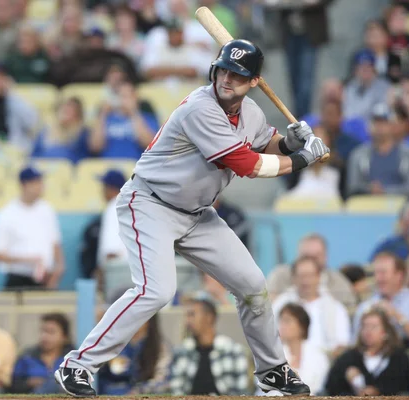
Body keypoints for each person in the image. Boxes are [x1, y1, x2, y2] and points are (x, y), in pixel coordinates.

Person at [54, 39, 330, 397]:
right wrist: (303, 159)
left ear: (253, 83)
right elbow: (248, 165)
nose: (228, 79)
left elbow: (267, 143)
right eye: (225, 70)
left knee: (252, 286)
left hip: (197, 213)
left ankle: (273, 370)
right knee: (156, 291)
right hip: (150, 203)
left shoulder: (252, 114)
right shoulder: (200, 108)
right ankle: (78, 365)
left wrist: (291, 144)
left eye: (239, 75)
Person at [0, 166, 65, 290]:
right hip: (18, 278)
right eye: (36, 182)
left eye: (41, 182)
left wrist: (59, 268)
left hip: (45, 279)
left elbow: (55, 242)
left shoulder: (47, 210)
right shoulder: (7, 214)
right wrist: (28, 260)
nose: (41, 186)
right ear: (24, 185)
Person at [271, 256, 351, 355]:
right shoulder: (281, 304)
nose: (306, 281)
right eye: (302, 276)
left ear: (319, 277)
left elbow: (342, 343)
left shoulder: (336, 309)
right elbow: (271, 338)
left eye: (310, 275)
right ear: (294, 278)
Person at [170, 297, 249, 395]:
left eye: (192, 315)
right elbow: (176, 390)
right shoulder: (182, 352)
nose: (187, 321)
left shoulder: (232, 351)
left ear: (209, 317)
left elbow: (240, 392)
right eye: (187, 316)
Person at [325, 308, 409, 396]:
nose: (368, 331)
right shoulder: (348, 358)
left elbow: (402, 386)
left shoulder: (399, 358)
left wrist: (373, 389)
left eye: (373, 326)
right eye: (365, 326)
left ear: (385, 332)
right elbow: (332, 387)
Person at [353, 251, 409, 349]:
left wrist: (397, 316)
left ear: (399, 275)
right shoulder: (365, 307)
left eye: (383, 273)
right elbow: (355, 343)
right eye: (376, 273)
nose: (378, 278)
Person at [346, 103, 409, 198]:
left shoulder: (408, 154)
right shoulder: (358, 154)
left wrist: (384, 191)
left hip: (400, 207)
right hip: (368, 207)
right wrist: (369, 189)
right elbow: (352, 187)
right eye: (376, 122)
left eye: (384, 122)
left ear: (392, 125)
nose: (379, 127)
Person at [266, 234, 356, 310]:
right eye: (306, 257)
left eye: (315, 257)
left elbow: (350, 310)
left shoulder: (338, 282)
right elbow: (266, 306)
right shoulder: (279, 276)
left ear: (325, 257)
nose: (310, 263)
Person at [98, 313, 171, 395]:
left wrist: (137, 392)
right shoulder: (113, 344)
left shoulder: (160, 347)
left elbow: (162, 382)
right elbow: (100, 377)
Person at [89, 81, 158, 160]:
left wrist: (133, 112)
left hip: (134, 166)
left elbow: (149, 144)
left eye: (129, 97)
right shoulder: (107, 119)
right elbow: (95, 146)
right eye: (122, 96)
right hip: (108, 166)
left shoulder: (147, 119)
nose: (125, 101)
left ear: (136, 98)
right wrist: (103, 113)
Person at [10, 313, 73, 394]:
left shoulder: (72, 360)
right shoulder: (27, 356)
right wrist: (29, 383)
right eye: (43, 331)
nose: (44, 336)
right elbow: (13, 386)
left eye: (51, 332)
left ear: (64, 337)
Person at [276, 304, 329, 395]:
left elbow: (318, 387)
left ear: (302, 326)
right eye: (281, 321)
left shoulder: (318, 356)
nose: (282, 326)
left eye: (287, 321)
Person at [31, 97, 90, 164]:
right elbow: (34, 156)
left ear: (78, 115)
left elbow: (84, 158)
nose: (65, 111)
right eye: (64, 109)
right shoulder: (45, 131)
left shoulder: (83, 133)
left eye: (70, 109)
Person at [342, 50, 391, 123]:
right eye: (362, 67)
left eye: (368, 67)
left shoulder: (384, 87)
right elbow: (346, 112)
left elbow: (383, 113)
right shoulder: (349, 86)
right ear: (355, 70)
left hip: (374, 129)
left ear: (374, 69)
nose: (365, 70)